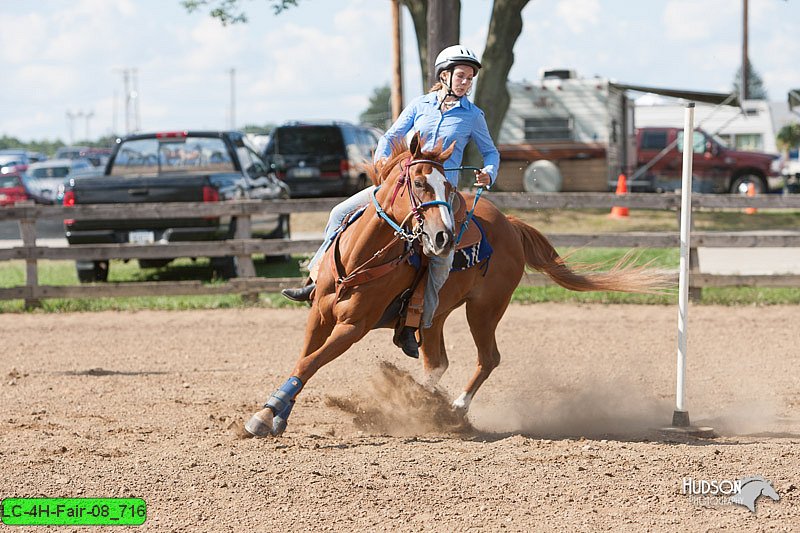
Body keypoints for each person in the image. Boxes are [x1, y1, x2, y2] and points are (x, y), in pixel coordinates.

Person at [282, 44, 500, 357]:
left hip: (442, 196)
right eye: (462, 76)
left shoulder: (473, 116)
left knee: (441, 257)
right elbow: (391, 135)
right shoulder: (420, 105)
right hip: (404, 188)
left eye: (470, 78)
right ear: (445, 75)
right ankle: (316, 281)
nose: (466, 82)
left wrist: (489, 173)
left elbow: (491, 152)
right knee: (339, 212)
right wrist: (384, 162)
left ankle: (416, 322)